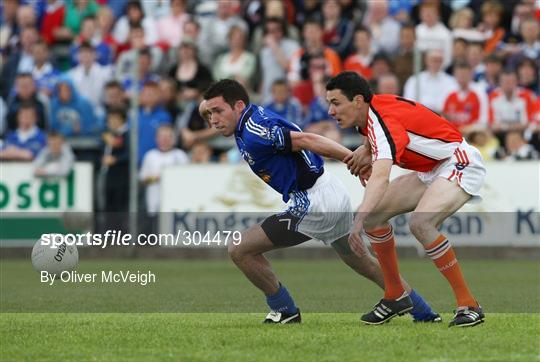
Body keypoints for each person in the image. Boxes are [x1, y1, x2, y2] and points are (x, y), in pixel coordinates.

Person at [200, 79, 440, 324]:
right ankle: (423, 311)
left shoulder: (254, 133)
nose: (213, 119)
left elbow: (308, 140)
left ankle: (284, 309)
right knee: (361, 261)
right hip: (328, 191)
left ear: (238, 105)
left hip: (315, 203)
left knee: (239, 248)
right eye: (210, 113)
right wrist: (210, 105)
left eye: (218, 111)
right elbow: (211, 106)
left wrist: (353, 161)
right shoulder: (248, 117)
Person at [325, 71, 486, 327]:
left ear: (357, 101)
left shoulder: (381, 121)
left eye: (335, 103)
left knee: (420, 224)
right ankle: (394, 295)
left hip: (458, 161)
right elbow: (393, 129)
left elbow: (380, 178)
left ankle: (469, 305)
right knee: (375, 218)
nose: (330, 111)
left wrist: (356, 221)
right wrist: (367, 149)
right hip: (430, 168)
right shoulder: (373, 110)